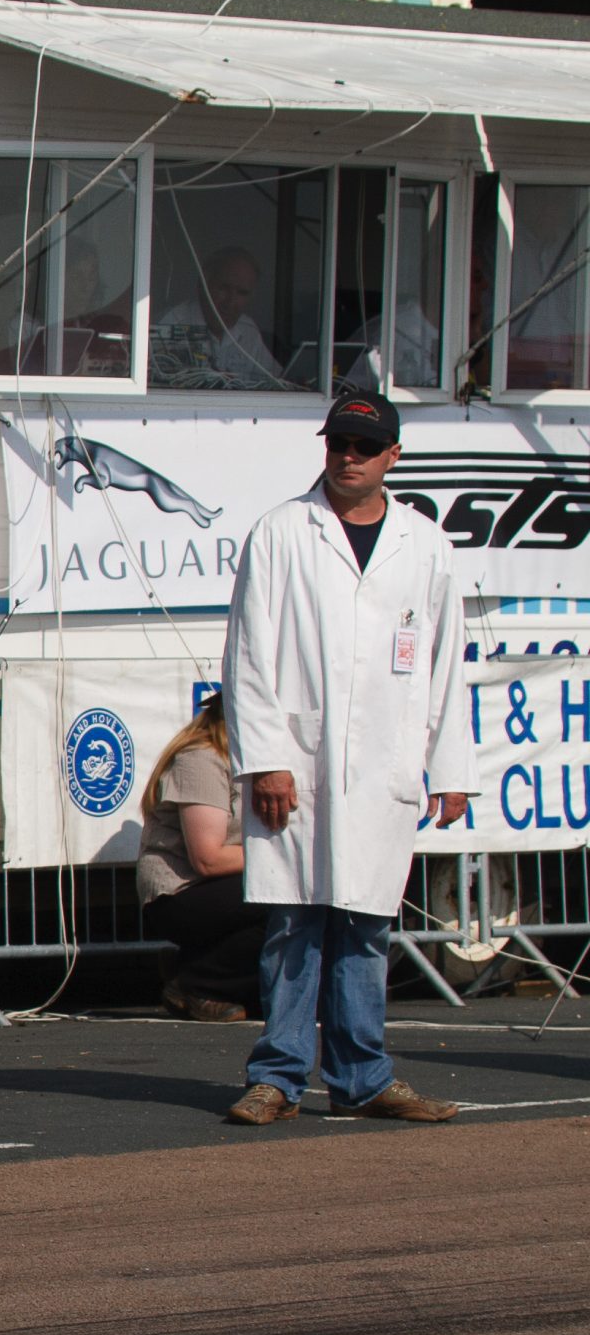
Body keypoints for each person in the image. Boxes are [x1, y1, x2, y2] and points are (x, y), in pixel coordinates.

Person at [220, 392, 473, 1127]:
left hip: (382, 763)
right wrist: (265, 757)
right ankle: (279, 1072)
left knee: (365, 922)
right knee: (295, 922)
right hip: (297, 761)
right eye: (340, 443)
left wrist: (450, 767)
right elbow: (248, 656)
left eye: (365, 445)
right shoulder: (281, 533)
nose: (349, 456)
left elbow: (445, 662)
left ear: (392, 455)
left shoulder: (424, 546)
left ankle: (364, 1073)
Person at [135, 693, 265, 1022]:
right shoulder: (201, 760)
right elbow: (208, 859)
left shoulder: (252, 762)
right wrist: (281, 857)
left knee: (301, 902)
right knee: (280, 899)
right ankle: (197, 982)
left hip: (224, 886)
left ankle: (202, 967)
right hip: (179, 892)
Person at [153, 245, 290, 390]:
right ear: (204, 283)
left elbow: (275, 384)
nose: (231, 302)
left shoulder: (248, 330)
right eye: (224, 288)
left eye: (242, 293)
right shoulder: (169, 323)